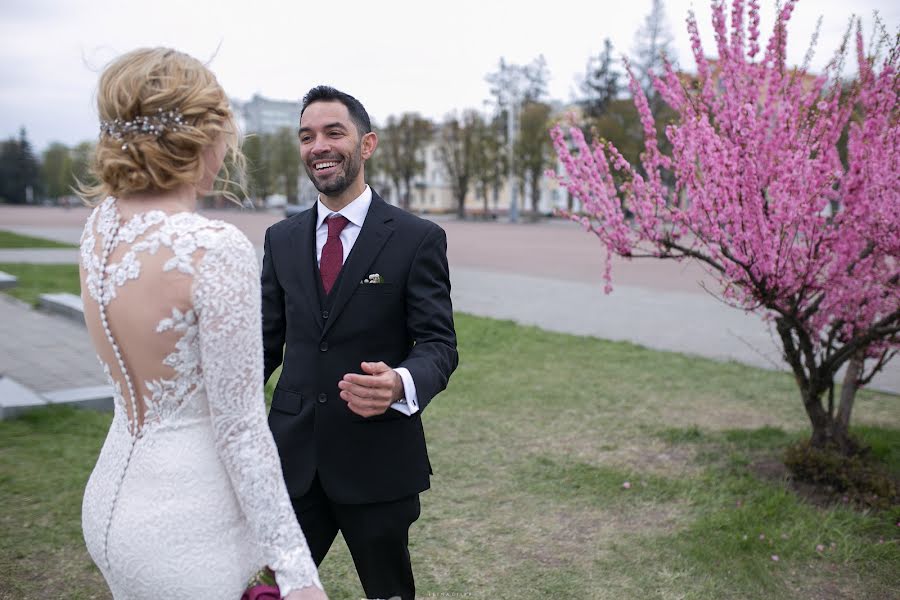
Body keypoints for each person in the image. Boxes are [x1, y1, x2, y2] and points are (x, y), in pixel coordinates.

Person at [77, 48, 326, 600]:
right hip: (188, 524)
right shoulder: (213, 250)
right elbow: (241, 429)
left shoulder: (99, 228)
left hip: (110, 500)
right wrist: (296, 570)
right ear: (204, 137)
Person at [262, 86, 458, 600]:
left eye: (333, 132)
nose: (318, 146)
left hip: (377, 460)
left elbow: (439, 343)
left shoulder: (417, 238)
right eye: (307, 136)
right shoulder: (280, 239)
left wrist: (400, 383)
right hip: (291, 458)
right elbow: (263, 345)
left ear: (366, 144)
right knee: (270, 589)